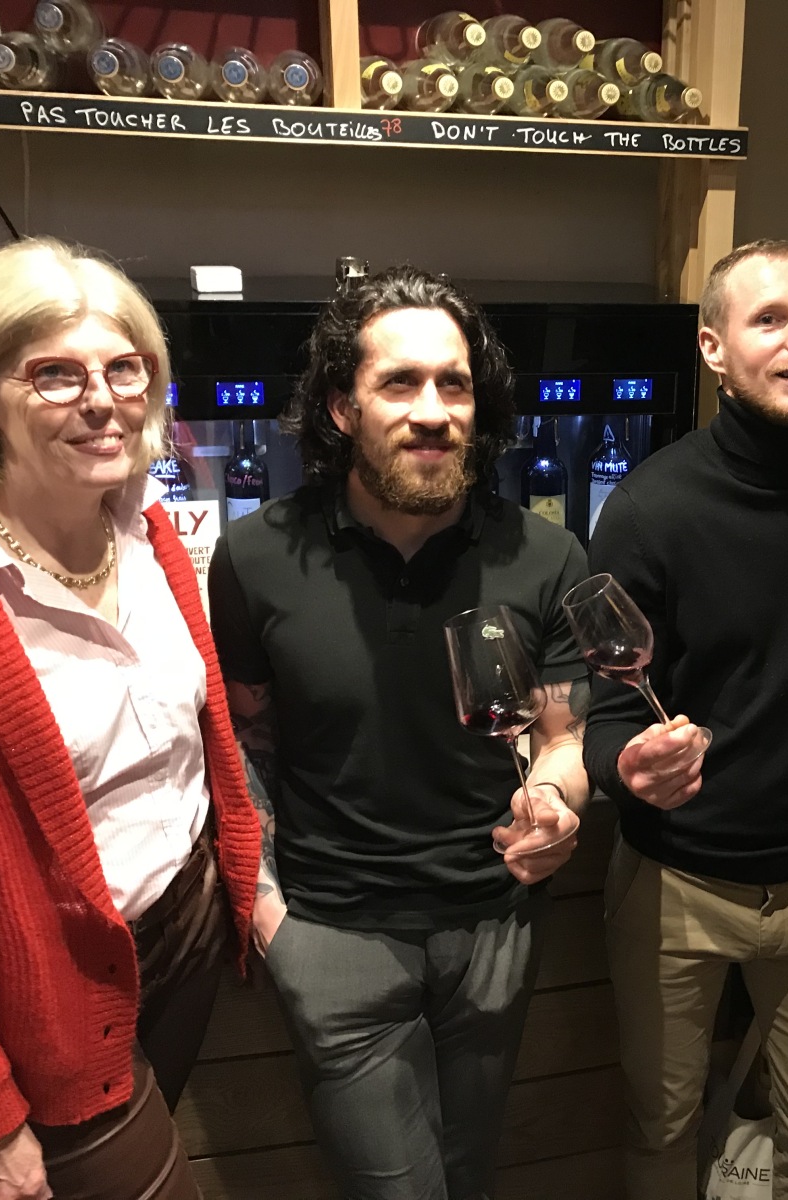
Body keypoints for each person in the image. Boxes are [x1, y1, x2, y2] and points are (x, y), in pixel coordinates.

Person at [0, 237, 260, 1200]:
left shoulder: (149, 534)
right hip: (50, 995)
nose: (103, 400)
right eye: (56, 374)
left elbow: (200, 748)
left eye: (125, 368)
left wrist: (247, 880)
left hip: (185, 937)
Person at [207, 266, 590, 1200]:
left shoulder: (545, 555)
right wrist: (272, 919)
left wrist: (555, 804)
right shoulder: (256, 556)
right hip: (334, 927)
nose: (432, 412)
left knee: (469, 1176)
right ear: (342, 408)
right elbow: (245, 742)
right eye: (400, 383)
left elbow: (562, 738)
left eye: (454, 385)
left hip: (495, 921)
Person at [583, 238, 788, 1199]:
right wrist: (629, 767)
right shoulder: (648, 509)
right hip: (673, 885)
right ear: (714, 349)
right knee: (661, 1130)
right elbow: (605, 717)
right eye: (769, 319)